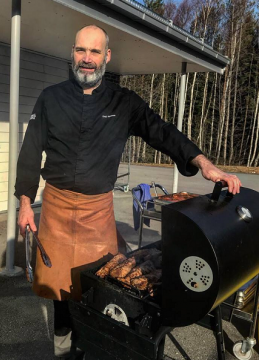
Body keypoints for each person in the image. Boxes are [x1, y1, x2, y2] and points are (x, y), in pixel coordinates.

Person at [15, 25, 241, 358]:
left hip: (98, 213)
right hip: (56, 210)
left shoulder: (124, 102)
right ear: (72, 53)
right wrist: (23, 203)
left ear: (106, 56)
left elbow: (162, 132)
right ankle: (64, 351)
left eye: (94, 52)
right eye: (81, 51)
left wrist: (203, 163)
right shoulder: (50, 98)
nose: (86, 59)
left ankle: (96, 346)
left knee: (103, 288)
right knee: (59, 294)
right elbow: (30, 154)